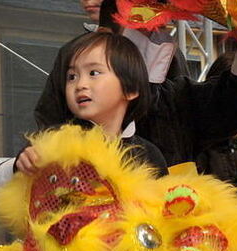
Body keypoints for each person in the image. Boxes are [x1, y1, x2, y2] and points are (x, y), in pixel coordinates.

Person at [17, 30, 167, 177]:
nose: (80, 84)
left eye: (94, 73)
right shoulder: (56, 140)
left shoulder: (149, 155)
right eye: (72, 77)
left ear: (131, 89)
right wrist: (26, 159)